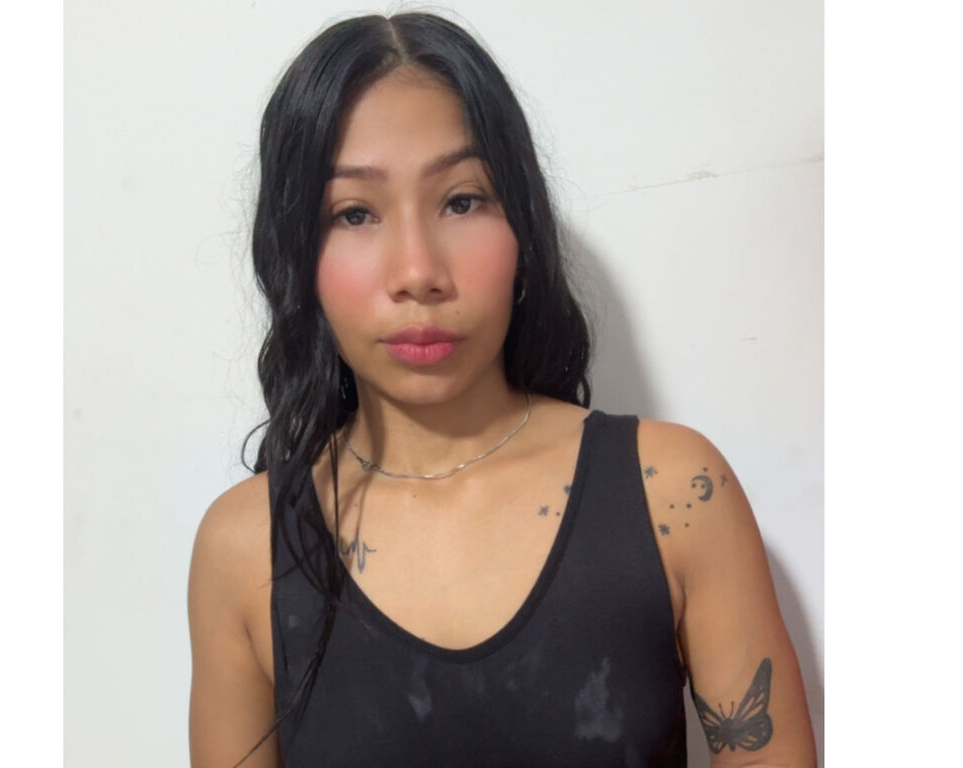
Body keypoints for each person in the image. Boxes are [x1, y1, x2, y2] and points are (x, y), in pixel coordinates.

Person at [187, 12, 816, 768]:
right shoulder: (245, 548)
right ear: (295, 253)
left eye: (462, 200)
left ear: (521, 225)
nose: (417, 271)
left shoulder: (674, 494)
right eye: (354, 213)